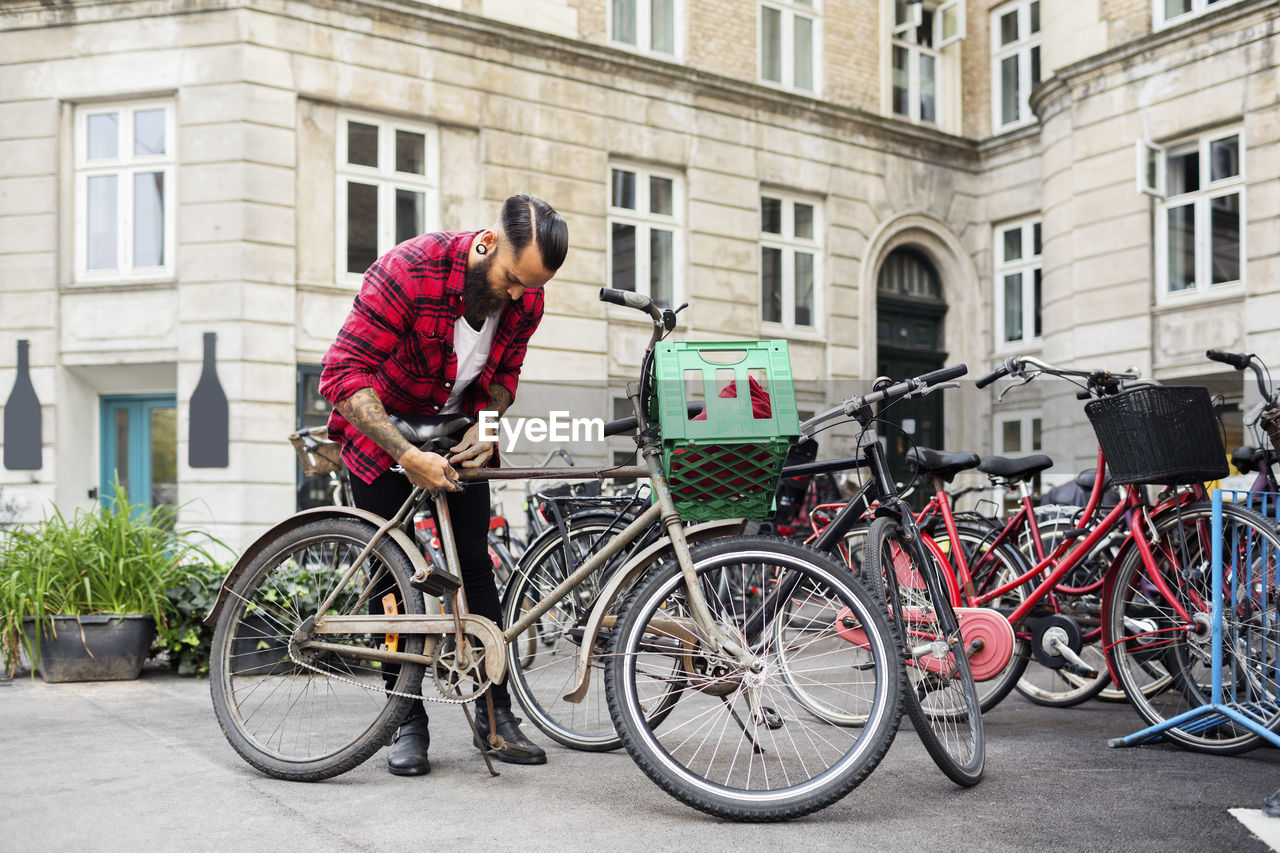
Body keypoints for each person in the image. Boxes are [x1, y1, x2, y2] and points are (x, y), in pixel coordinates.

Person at [319, 194, 568, 776]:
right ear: (486, 244)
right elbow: (341, 374)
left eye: (526, 289)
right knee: (391, 579)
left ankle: (493, 715)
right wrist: (406, 453)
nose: (515, 297)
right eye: (510, 280)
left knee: (477, 571)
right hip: (383, 434)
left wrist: (488, 423)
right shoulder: (408, 270)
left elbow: (504, 375)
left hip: (455, 436)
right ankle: (404, 720)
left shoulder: (526, 295)